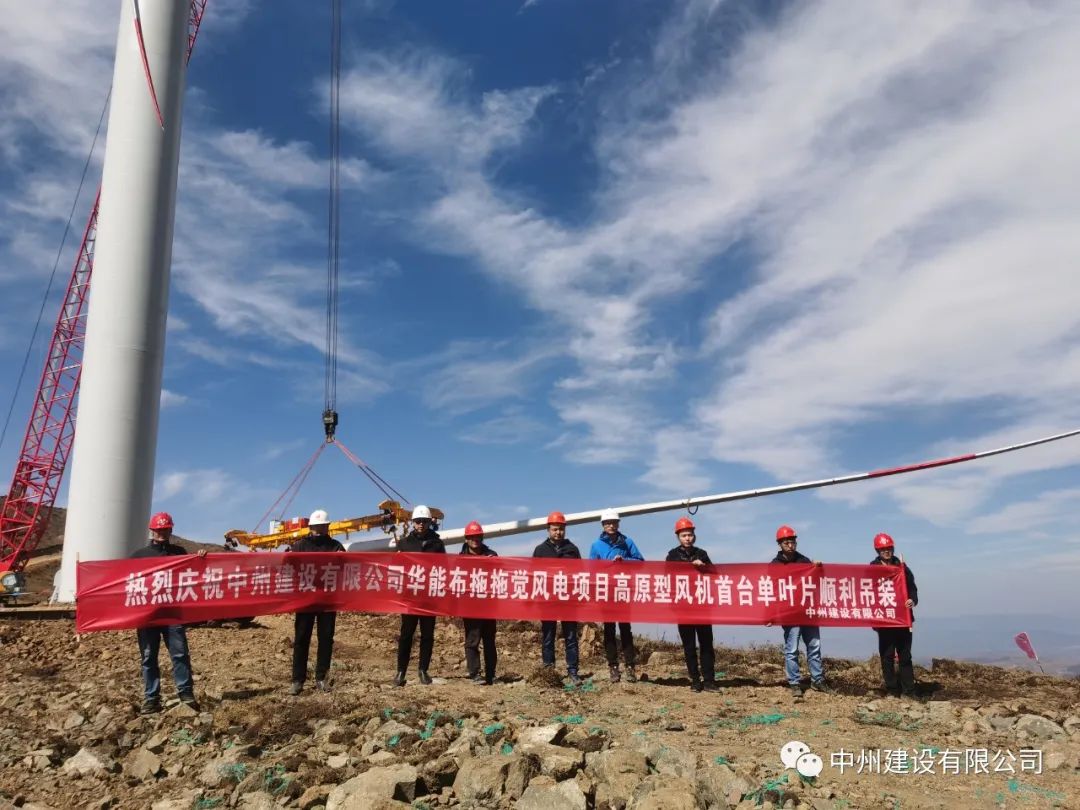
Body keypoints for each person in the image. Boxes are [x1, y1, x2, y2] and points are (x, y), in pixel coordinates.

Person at [131, 512, 207, 714]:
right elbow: (119, 582)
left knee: (180, 654)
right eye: (159, 530)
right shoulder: (139, 556)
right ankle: (151, 699)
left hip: (173, 614)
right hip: (148, 615)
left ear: (171, 530)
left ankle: (186, 694)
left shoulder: (179, 553)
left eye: (165, 529)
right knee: (148, 658)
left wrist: (200, 559)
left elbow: (196, 574)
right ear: (152, 530)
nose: (162, 533)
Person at [770, 525, 831, 697]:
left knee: (814, 646)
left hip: (808, 610)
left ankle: (817, 680)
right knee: (792, 649)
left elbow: (817, 580)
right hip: (789, 613)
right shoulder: (775, 565)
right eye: (786, 543)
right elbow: (772, 591)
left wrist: (817, 567)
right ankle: (795, 683)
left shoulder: (804, 561)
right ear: (780, 544)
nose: (790, 545)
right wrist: (771, 614)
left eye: (793, 542)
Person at [289, 510, 345, 695]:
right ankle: (297, 680)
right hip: (305, 600)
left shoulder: (336, 546)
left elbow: (345, 569)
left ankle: (322, 678)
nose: (319, 530)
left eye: (323, 527)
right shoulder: (299, 546)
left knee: (326, 639)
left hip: (327, 601)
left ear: (327, 527)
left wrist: (342, 558)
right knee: (301, 639)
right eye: (316, 527)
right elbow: (288, 567)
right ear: (310, 527)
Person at [589, 508, 644, 682]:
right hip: (606, 592)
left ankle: (630, 666)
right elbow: (591, 569)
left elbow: (640, 562)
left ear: (618, 524)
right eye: (607, 523)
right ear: (603, 525)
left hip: (623, 589)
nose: (611, 526)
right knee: (609, 629)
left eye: (613, 523)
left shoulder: (627, 542)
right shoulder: (596, 545)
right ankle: (613, 666)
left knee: (625, 629)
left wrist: (624, 560)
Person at [394, 504, 446, 686]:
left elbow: (444, 569)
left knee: (427, 635)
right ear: (413, 522)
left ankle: (423, 670)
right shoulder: (404, 544)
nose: (421, 524)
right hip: (410, 596)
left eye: (424, 521)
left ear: (430, 522)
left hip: (429, 597)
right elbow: (395, 569)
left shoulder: (437, 544)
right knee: (406, 635)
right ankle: (401, 671)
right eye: (417, 521)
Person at [665, 517, 717, 692]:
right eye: (684, 535)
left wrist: (704, 567)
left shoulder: (702, 554)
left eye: (690, 535)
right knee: (689, 646)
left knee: (706, 644)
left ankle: (709, 680)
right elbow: (667, 578)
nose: (687, 538)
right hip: (683, 607)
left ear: (694, 536)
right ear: (678, 537)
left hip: (702, 605)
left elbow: (715, 575)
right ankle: (695, 680)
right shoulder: (672, 556)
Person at [533, 511, 582, 685]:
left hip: (568, 600)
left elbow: (580, 574)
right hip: (548, 600)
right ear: (548, 530)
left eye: (561, 529)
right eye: (555, 529)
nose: (558, 532)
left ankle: (573, 670)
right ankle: (549, 670)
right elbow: (533, 574)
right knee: (548, 635)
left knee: (571, 636)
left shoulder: (572, 549)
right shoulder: (540, 550)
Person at [870, 532, 918, 698]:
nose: (887, 551)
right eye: (883, 549)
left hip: (903, 619)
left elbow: (912, 588)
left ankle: (909, 691)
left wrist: (912, 600)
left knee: (905, 656)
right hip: (884, 620)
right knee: (887, 656)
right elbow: (866, 591)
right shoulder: (872, 569)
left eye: (889, 548)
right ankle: (892, 689)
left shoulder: (902, 567)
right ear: (878, 550)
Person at [460, 521, 498, 685]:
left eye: (477, 537)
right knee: (472, 639)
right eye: (472, 537)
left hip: (488, 605)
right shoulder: (460, 559)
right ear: (466, 539)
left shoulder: (492, 555)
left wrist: (494, 563)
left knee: (489, 640)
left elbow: (501, 575)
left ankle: (491, 673)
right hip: (470, 606)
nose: (475, 540)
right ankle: (474, 672)